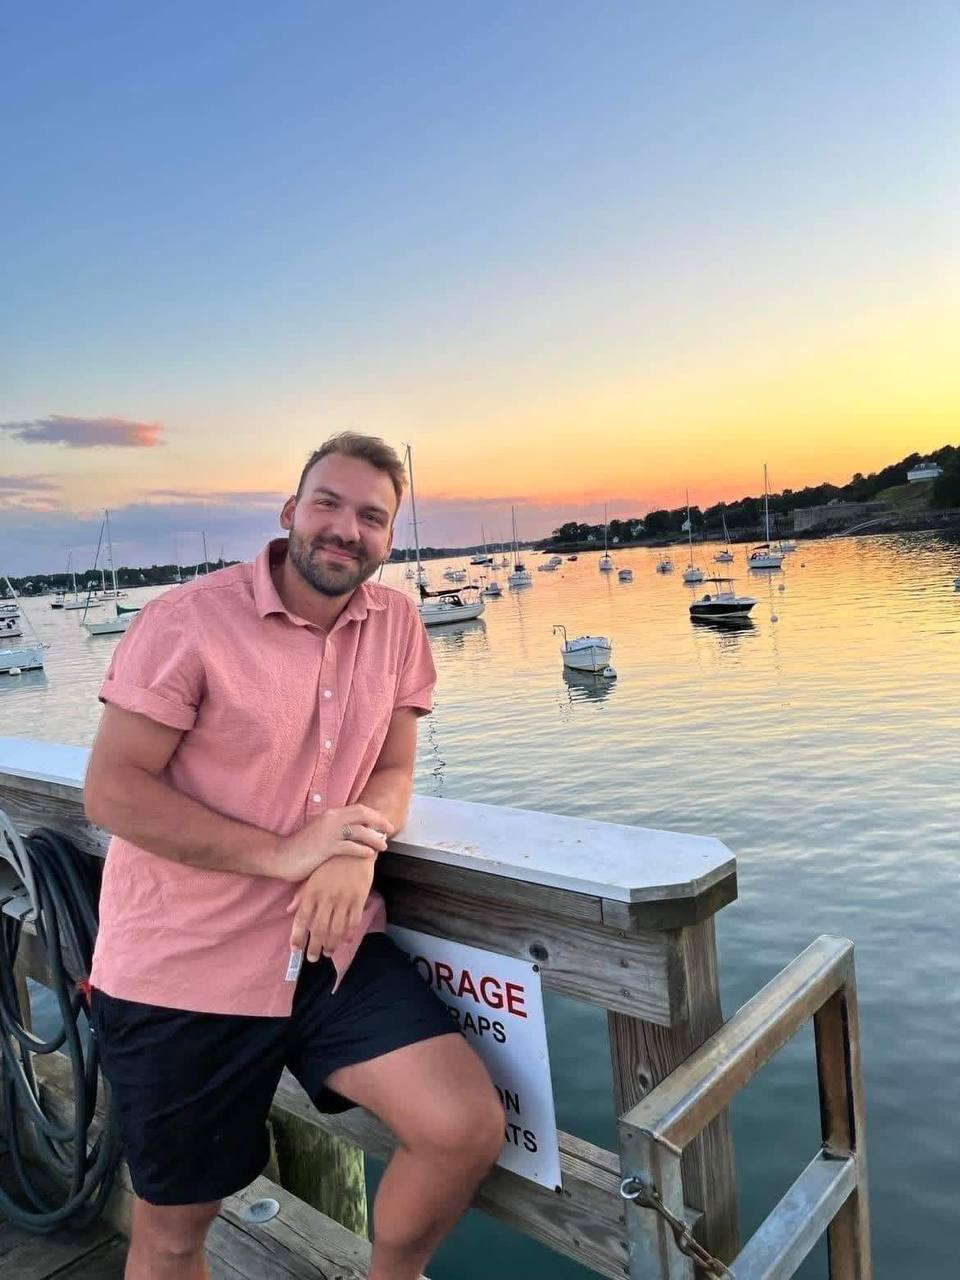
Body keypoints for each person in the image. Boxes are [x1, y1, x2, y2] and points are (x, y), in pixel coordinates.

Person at [84, 432, 505, 1280]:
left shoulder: (398, 624)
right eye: (330, 504)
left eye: (372, 517)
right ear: (290, 513)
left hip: (328, 948)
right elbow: (114, 792)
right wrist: (285, 855)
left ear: (389, 539)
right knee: (172, 1234)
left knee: (460, 1127)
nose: (347, 529)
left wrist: (355, 849)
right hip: (183, 965)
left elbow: (391, 769)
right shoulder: (186, 623)